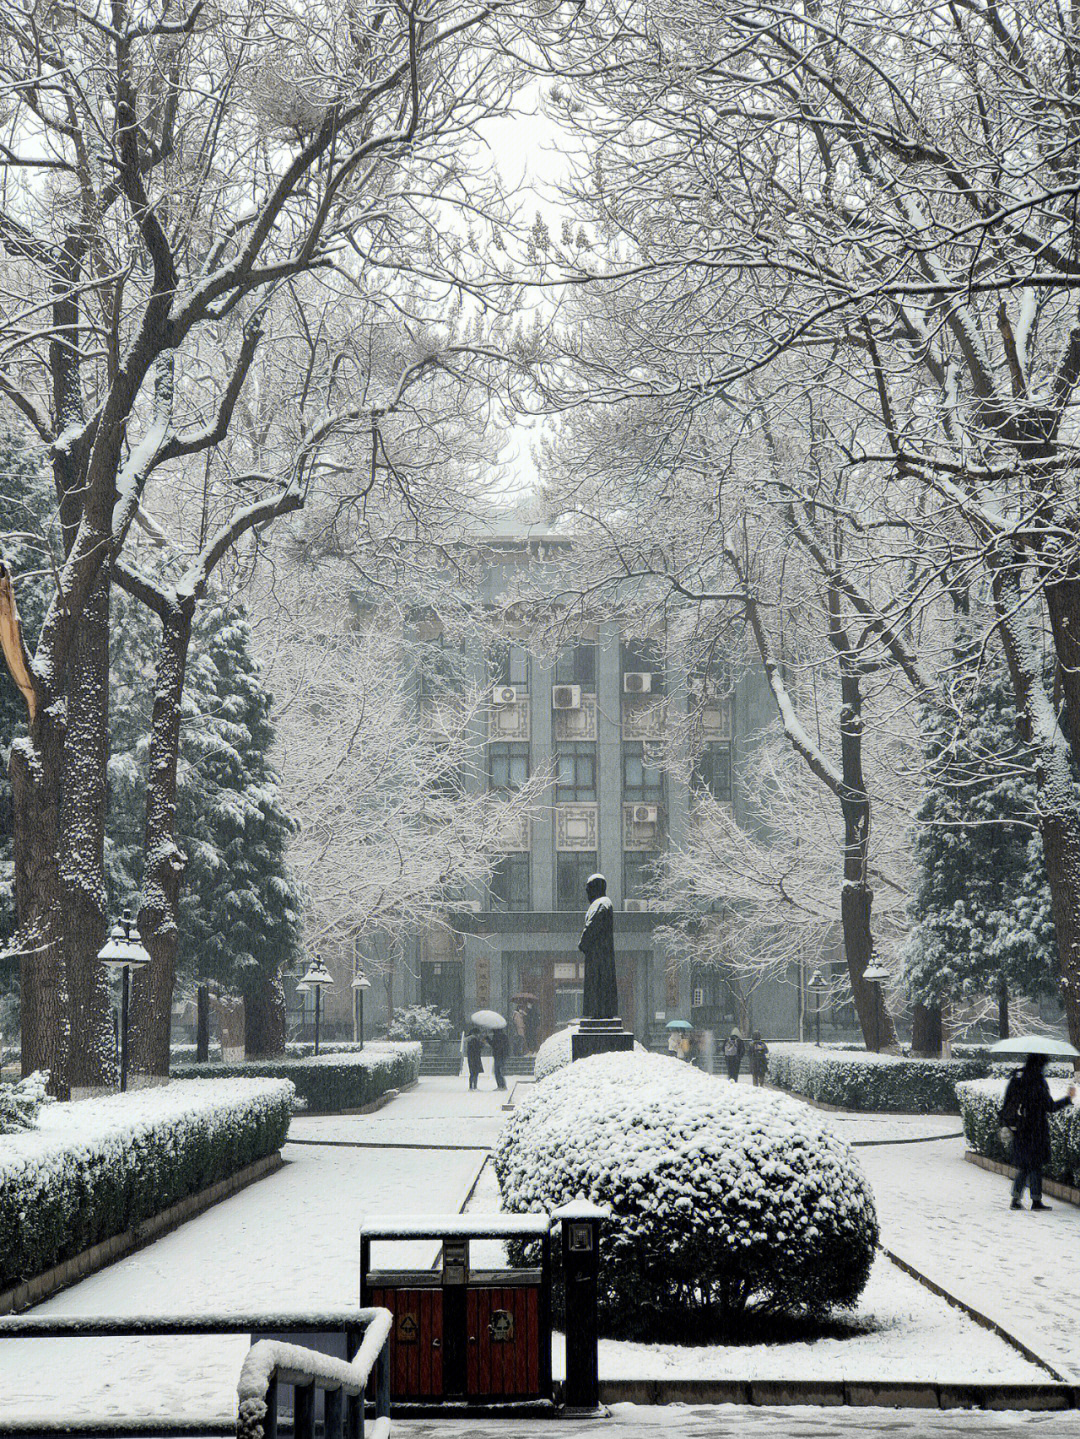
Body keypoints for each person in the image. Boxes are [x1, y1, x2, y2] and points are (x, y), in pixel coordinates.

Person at [1001, 1054, 1076, 1210]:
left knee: (1024, 1166)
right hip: (1036, 1129)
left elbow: (1007, 1102)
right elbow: (1050, 1107)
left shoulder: (1017, 1078)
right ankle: (1036, 1201)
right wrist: (1068, 1098)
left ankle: (1015, 1199)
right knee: (1035, 1166)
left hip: (1020, 1128)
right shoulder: (1038, 1082)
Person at [578, 872, 618, 1019]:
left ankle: (597, 1014)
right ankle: (599, 1013)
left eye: (589, 889)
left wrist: (583, 942)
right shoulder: (603, 903)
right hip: (600, 954)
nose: (587, 893)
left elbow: (592, 925)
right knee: (600, 986)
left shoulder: (601, 903)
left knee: (598, 985)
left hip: (598, 955)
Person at [489, 1025, 509, 1090]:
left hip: (498, 1055)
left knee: (497, 1071)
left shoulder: (497, 1036)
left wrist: (488, 1039)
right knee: (499, 1071)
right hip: (502, 1055)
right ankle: (503, 1085)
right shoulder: (504, 1036)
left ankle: (500, 1085)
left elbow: (494, 1045)